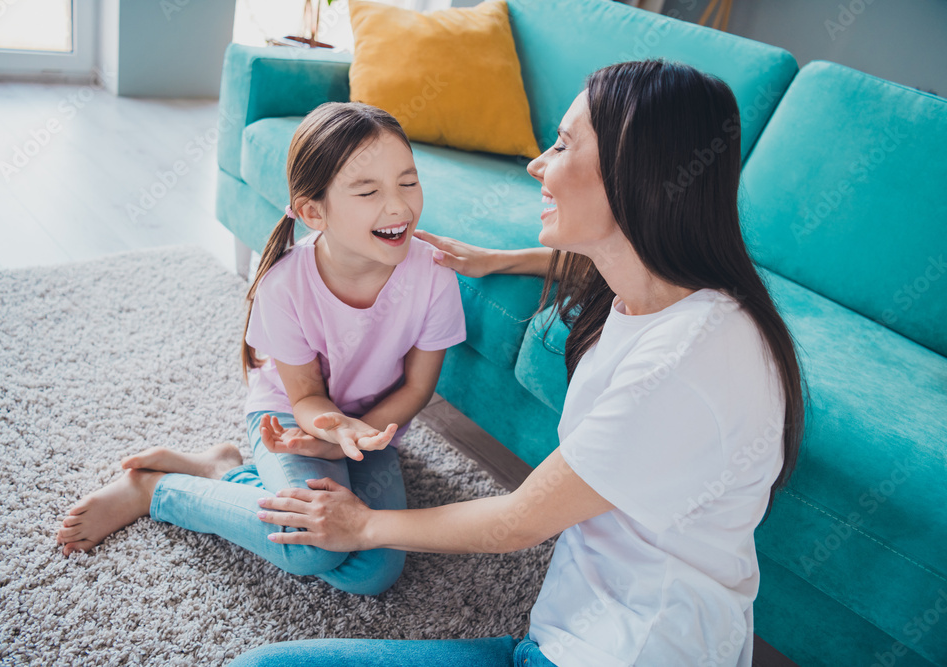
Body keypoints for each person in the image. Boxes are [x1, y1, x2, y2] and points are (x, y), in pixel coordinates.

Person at [229, 60, 806, 666]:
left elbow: (520, 520)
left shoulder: (680, 369)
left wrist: (364, 525)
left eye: (562, 144)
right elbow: (601, 262)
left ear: (634, 175)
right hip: (573, 638)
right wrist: (499, 260)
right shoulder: (670, 298)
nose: (537, 164)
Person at [54, 102, 467, 597]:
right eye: (368, 190)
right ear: (315, 212)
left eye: (408, 181)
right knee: (313, 546)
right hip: (292, 421)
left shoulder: (434, 273)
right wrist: (329, 433)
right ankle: (155, 491)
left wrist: (350, 438)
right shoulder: (283, 284)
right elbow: (306, 397)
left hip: (373, 428)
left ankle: (224, 471)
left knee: (374, 570)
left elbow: (419, 387)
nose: (399, 206)